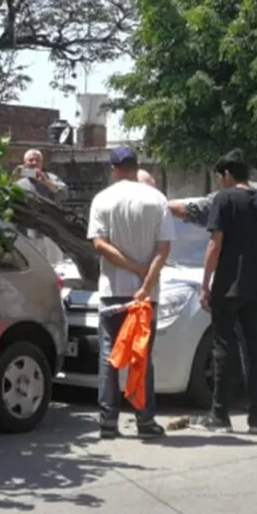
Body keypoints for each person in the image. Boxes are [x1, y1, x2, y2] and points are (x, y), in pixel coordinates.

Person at [88, 146, 173, 440]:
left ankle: (108, 421)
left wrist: (133, 268)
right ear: (137, 166)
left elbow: (99, 244)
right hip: (146, 294)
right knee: (142, 356)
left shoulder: (103, 199)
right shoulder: (157, 199)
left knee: (109, 355)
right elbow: (164, 250)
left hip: (113, 291)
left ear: (114, 169)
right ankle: (145, 420)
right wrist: (146, 280)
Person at [198, 150, 257, 434]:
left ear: (228, 175)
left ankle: (220, 415)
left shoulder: (224, 199)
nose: (220, 182)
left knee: (223, 347)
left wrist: (205, 283)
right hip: (256, 285)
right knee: (256, 349)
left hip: (227, 285)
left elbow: (214, 244)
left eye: (220, 177)